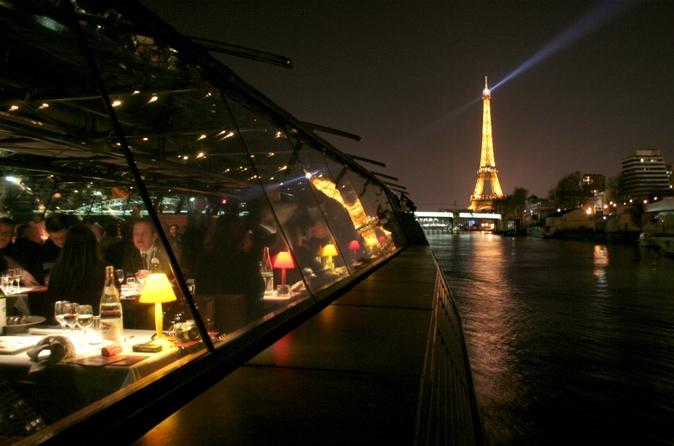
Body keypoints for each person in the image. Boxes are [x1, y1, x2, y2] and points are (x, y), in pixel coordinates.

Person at [42, 224, 105, 323]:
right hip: (95, 319)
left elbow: (52, 298)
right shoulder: (102, 268)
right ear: (93, 244)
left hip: (65, 319)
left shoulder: (58, 268)